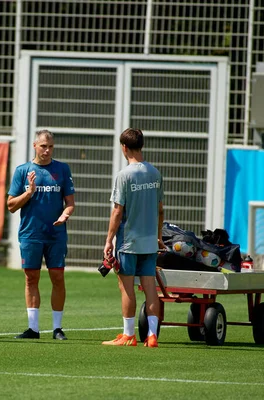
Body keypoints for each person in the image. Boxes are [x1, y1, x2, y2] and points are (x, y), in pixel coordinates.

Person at [8, 129, 75, 340]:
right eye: (44, 146)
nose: (47, 150)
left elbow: (70, 203)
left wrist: (65, 215)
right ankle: (33, 329)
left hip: (56, 235)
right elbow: (10, 205)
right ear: (35, 146)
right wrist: (29, 192)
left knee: (58, 277)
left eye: (51, 147)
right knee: (31, 278)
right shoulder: (22, 171)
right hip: (31, 234)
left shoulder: (62, 169)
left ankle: (57, 328)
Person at [102, 128, 164, 348]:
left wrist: (109, 240)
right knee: (150, 288)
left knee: (126, 287)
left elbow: (117, 211)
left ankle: (129, 335)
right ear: (142, 146)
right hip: (149, 241)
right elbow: (160, 209)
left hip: (129, 241)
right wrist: (158, 237)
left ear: (124, 147)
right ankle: (152, 335)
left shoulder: (124, 175)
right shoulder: (155, 173)